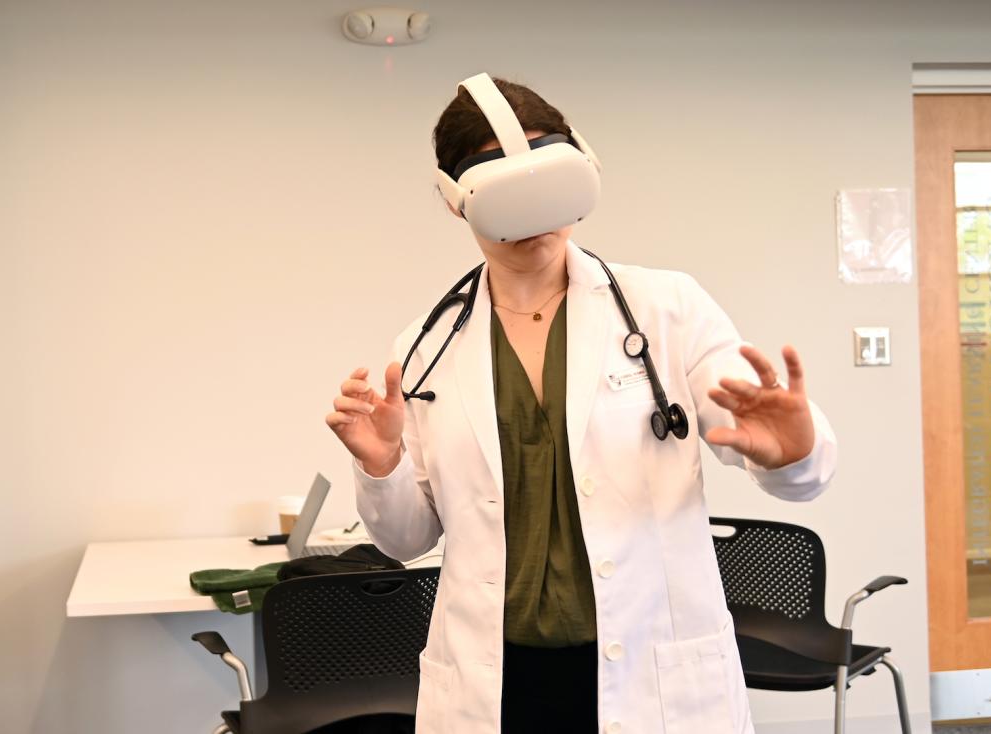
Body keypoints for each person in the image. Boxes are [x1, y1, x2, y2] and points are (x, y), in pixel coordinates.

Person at [324, 74, 837, 734]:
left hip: (647, 674)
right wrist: (381, 465)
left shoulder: (667, 309)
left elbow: (775, 451)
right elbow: (405, 540)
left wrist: (794, 450)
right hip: (498, 682)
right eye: (501, 187)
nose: (533, 212)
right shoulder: (425, 348)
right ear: (457, 201)